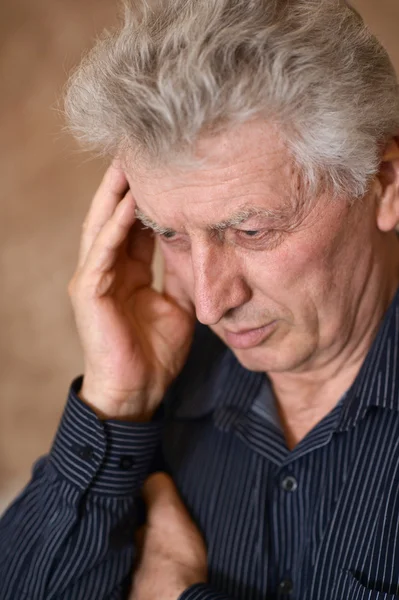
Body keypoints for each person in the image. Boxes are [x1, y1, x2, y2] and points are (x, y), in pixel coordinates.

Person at [2, 0, 399, 598]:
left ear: (385, 183)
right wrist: (117, 402)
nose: (210, 304)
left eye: (252, 231)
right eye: (169, 234)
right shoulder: (164, 380)